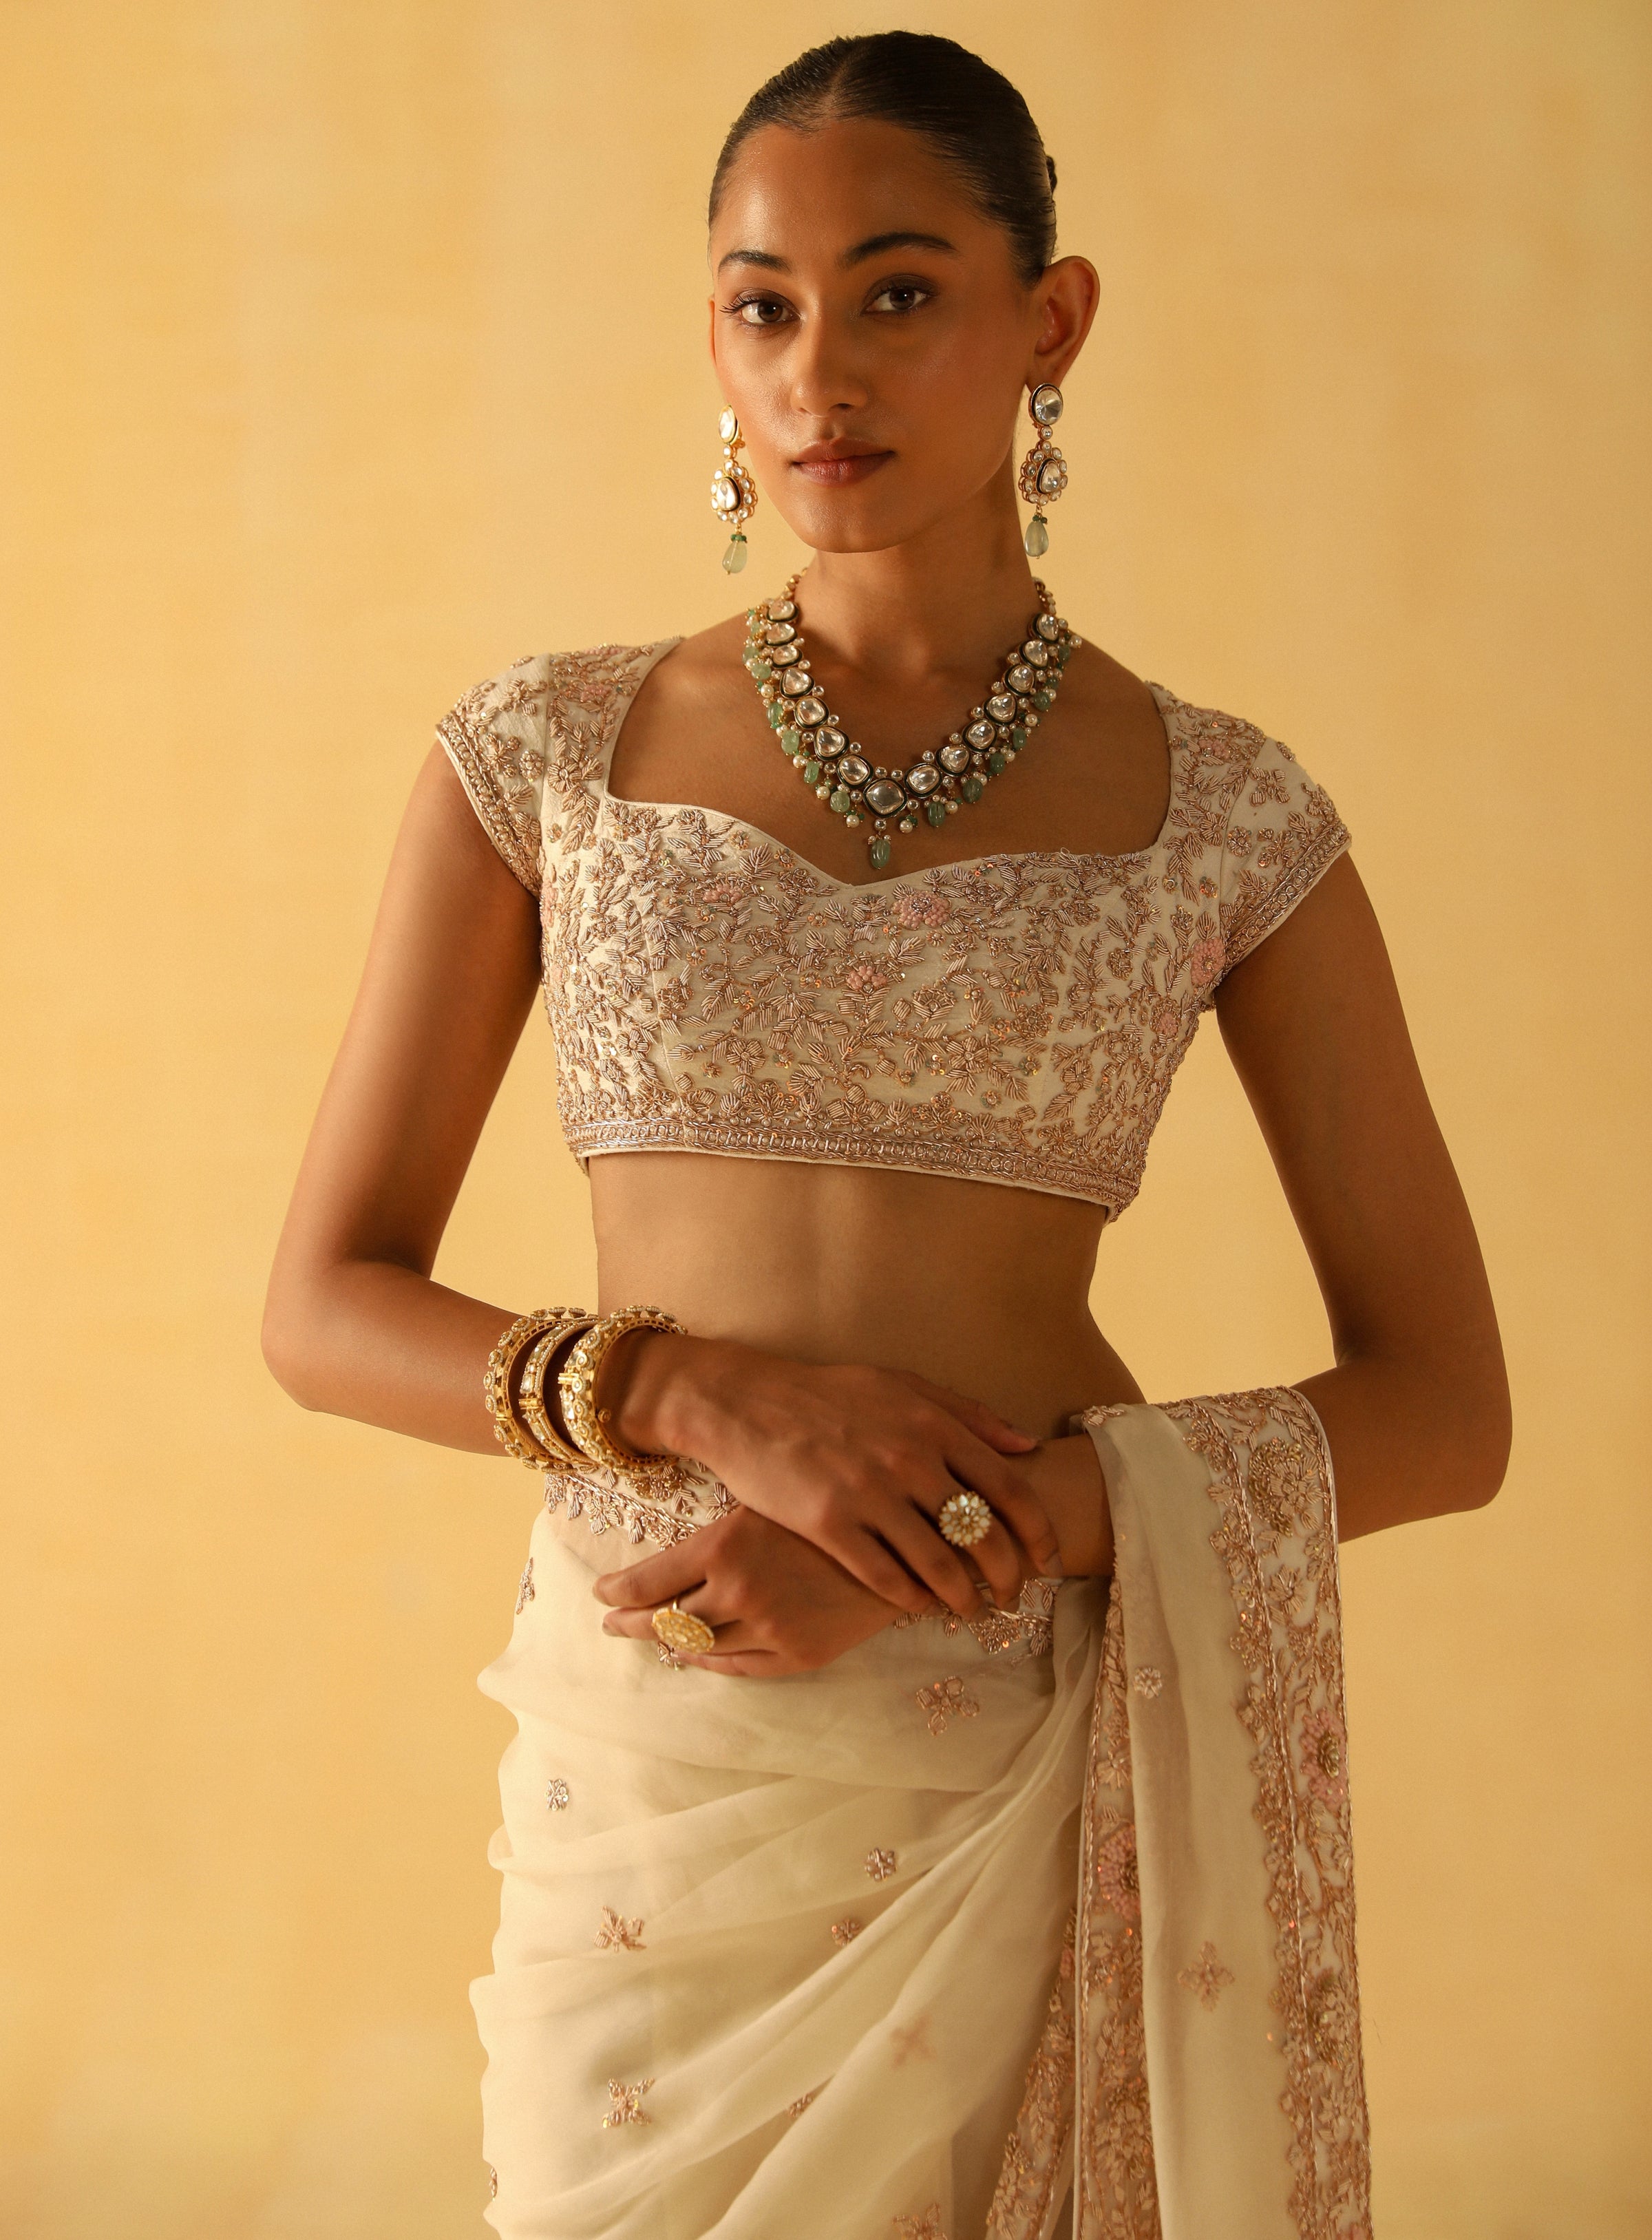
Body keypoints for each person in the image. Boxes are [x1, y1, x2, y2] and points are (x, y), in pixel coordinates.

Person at [262, 31, 1509, 2240]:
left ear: (1053, 323)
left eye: (900, 292)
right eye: (764, 306)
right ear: (714, 344)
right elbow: (321, 1305)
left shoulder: (1227, 816)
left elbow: (1445, 1406)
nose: (819, 373)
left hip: (1023, 1730)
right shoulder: (544, 756)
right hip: (665, 1759)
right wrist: (697, 1395)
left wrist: (965, 1535)